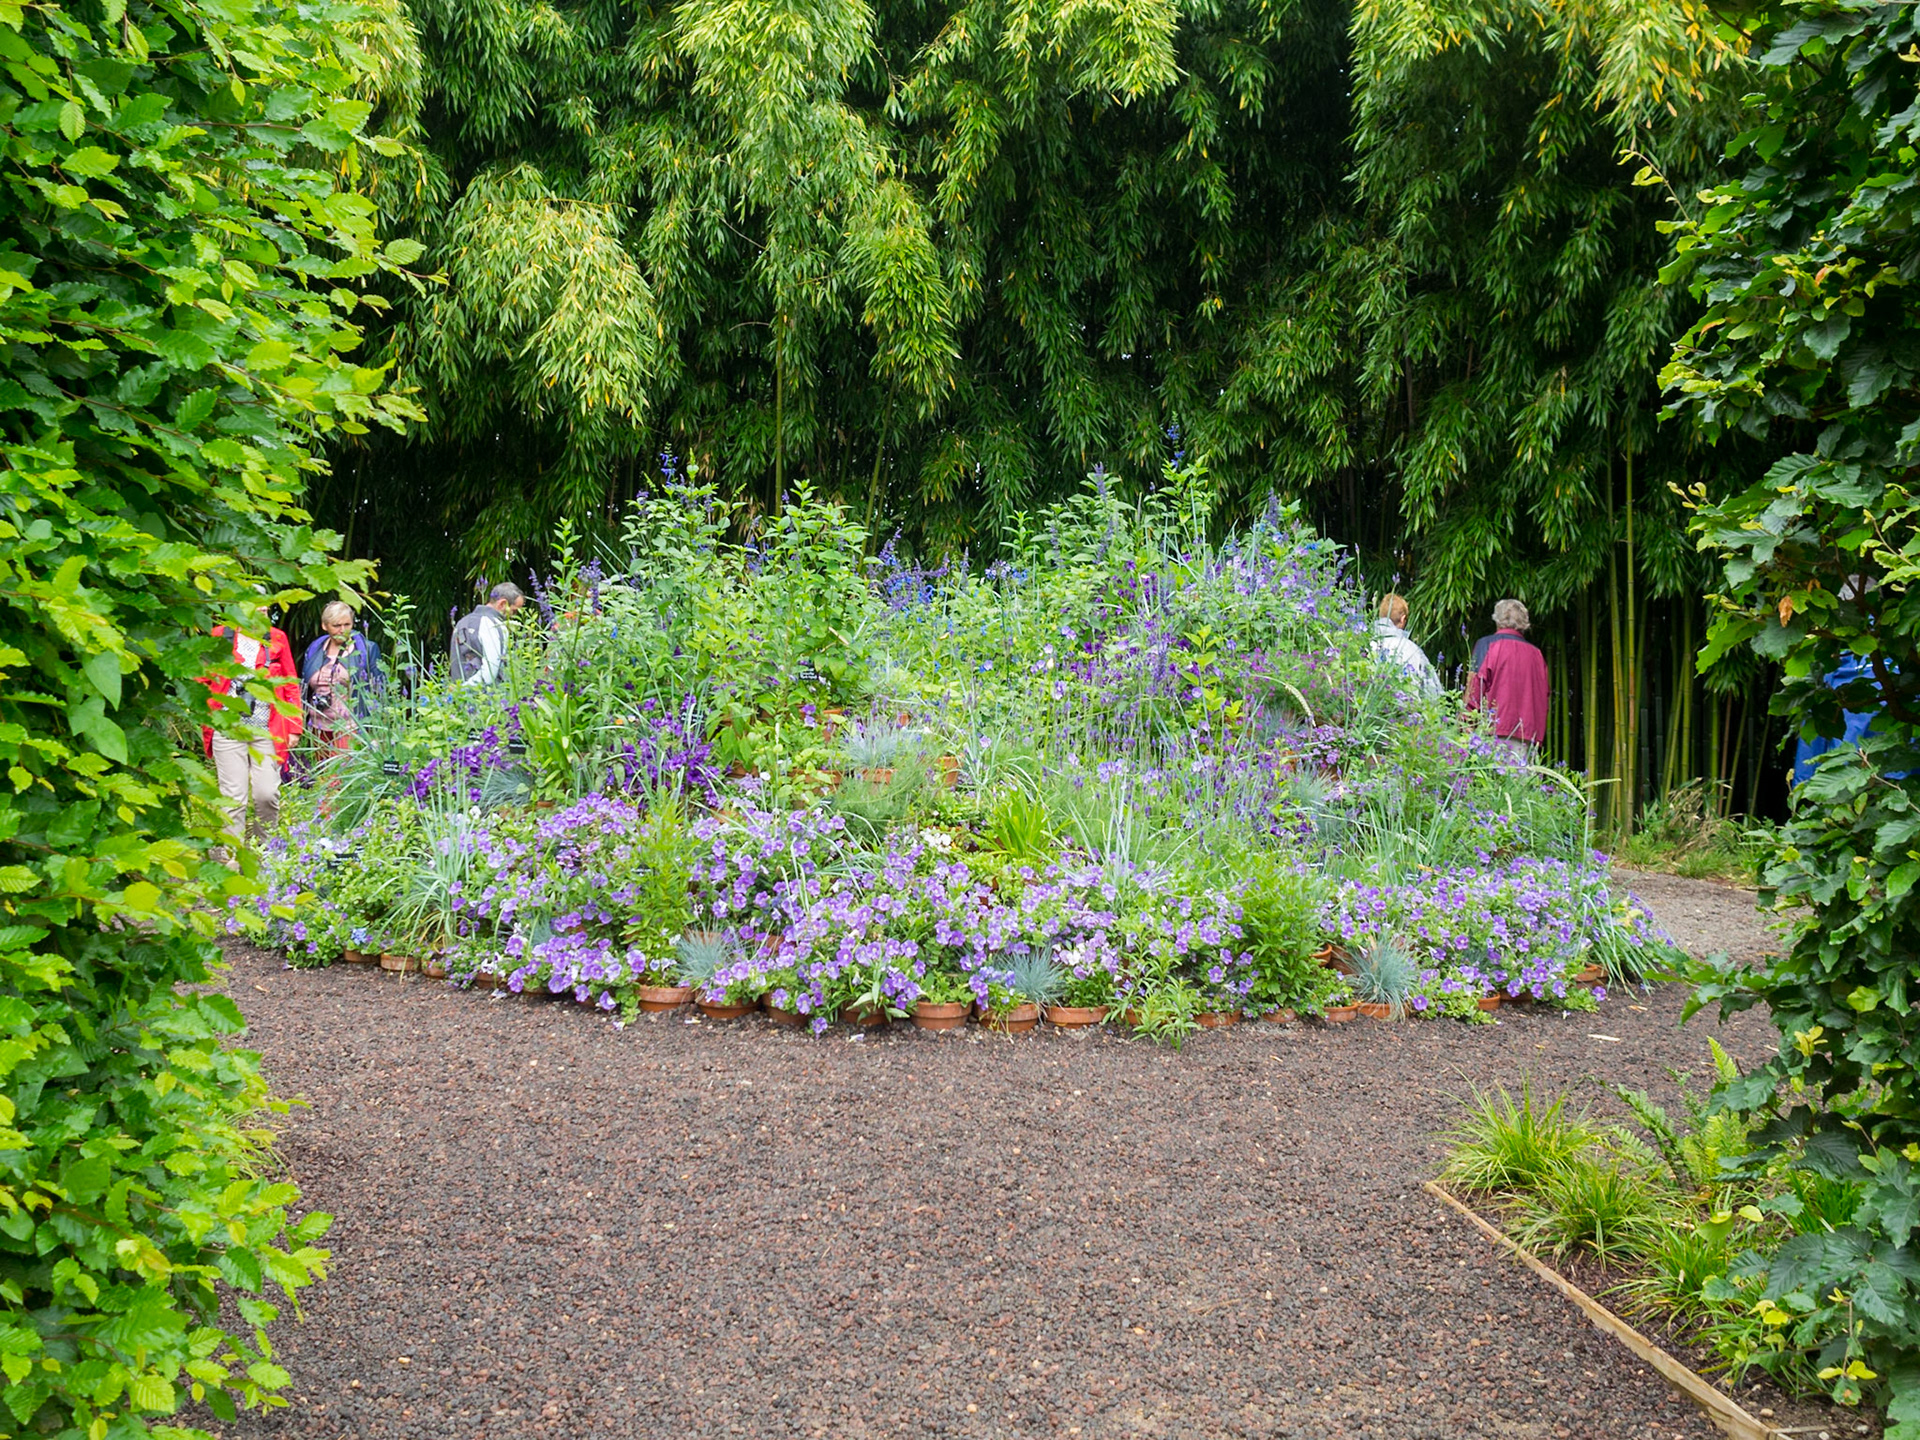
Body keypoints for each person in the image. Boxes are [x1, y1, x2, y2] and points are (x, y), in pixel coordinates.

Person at [202, 618, 302, 841]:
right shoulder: (219, 635)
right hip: (227, 729)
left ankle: (266, 851)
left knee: (267, 794)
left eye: (265, 608)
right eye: (258, 607)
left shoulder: (277, 638)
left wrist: (294, 726)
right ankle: (232, 854)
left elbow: (290, 683)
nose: (263, 612)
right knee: (234, 798)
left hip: (267, 730)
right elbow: (201, 678)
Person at [1466, 598, 1548, 760]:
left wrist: (1465, 722)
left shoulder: (1487, 645)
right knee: (1520, 776)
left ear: (1497, 620)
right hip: (1527, 736)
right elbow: (1543, 696)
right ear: (1524, 624)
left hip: (1493, 732)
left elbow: (1475, 687)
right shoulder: (1536, 654)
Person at [299, 600, 384, 754]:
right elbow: (303, 687)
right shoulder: (314, 649)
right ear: (325, 626)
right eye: (336, 626)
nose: (342, 630)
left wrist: (376, 731)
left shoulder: (366, 649)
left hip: (350, 726)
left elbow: (380, 691)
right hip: (317, 726)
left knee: (342, 769)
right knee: (319, 769)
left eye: (347, 625)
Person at [450, 582, 525, 685]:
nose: (514, 616)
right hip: (483, 693)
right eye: (514, 611)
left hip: (457, 692)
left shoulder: (461, 622)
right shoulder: (494, 625)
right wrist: (466, 689)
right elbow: (490, 672)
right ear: (502, 604)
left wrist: (459, 691)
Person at [1370, 593, 1441, 696]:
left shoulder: (1366, 644)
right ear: (1403, 619)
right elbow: (1432, 692)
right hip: (1407, 704)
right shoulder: (1413, 651)